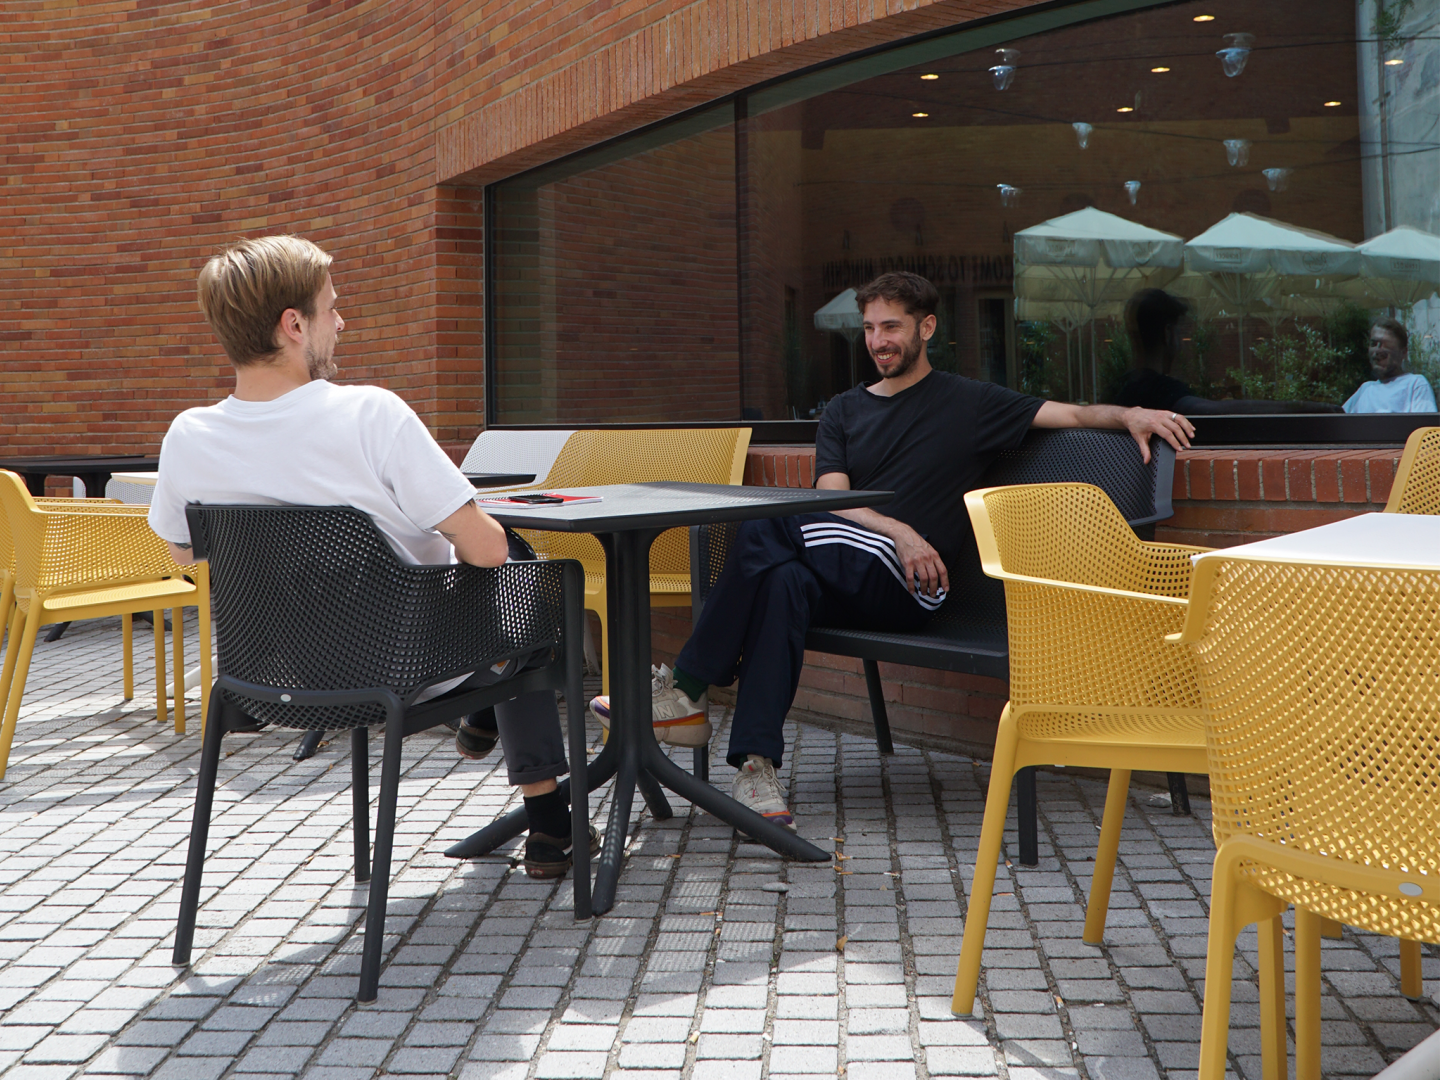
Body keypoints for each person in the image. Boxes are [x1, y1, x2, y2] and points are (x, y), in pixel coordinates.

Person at [591, 272, 1194, 830]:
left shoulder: (971, 403)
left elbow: (1075, 412)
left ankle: (690, 687)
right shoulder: (845, 412)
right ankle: (757, 770)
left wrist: (1132, 412)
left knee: (763, 523)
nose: (879, 341)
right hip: (851, 565)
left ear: (926, 328)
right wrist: (895, 528)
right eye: (871, 328)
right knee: (781, 584)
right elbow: (832, 500)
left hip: (912, 585)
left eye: (892, 327)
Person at [147, 235, 595, 879]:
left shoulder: (189, 434)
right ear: (293, 326)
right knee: (523, 569)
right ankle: (545, 814)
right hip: (405, 666)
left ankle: (504, 751)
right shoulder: (369, 414)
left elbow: (183, 550)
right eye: (331, 308)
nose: (342, 321)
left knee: (502, 587)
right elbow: (486, 548)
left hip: (274, 677)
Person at [1115, 288, 1342, 414]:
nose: (1184, 343)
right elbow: (1214, 412)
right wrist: (1298, 407)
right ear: (1168, 334)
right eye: (1182, 333)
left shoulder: (1125, 387)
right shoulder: (1159, 390)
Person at [1343, 317, 1437, 413]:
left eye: (1386, 345)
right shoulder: (1365, 389)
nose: (1377, 351)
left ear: (1403, 352)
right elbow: (1339, 420)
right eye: (1373, 344)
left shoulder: (1415, 384)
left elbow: (1423, 425)